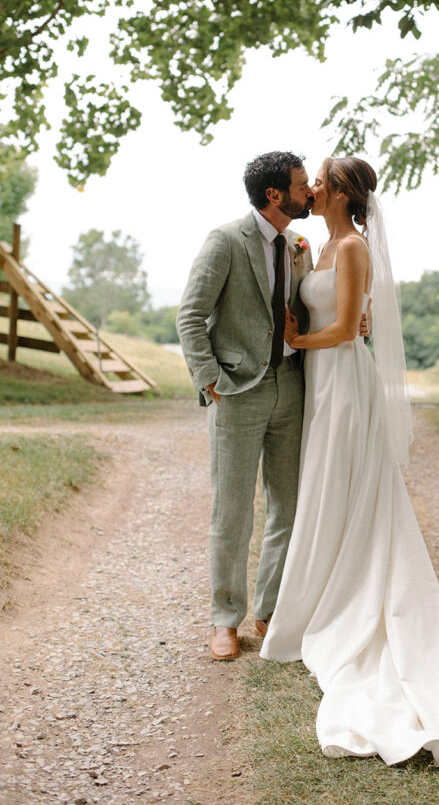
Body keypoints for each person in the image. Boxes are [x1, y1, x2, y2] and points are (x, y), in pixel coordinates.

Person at [261, 156, 439, 770]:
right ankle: (319, 590)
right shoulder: (321, 246)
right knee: (327, 490)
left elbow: (349, 328)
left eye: (322, 180)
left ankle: (348, 602)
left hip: (344, 385)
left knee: (342, 486)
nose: (314, 187)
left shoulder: (351, 247)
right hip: (322, 385)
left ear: (343, 194)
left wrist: (297, 340)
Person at [176, 151, 314, 662]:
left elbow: (308, 311)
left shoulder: (301, 245)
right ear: (274, 194)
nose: (310, 193)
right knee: (232, 511)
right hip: (237, 392)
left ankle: (269, 610)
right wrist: (209, 379)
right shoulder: (225, 242)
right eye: (302, 186)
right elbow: (190, 316)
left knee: (289, 506)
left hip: (293, 390)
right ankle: (224, 619)